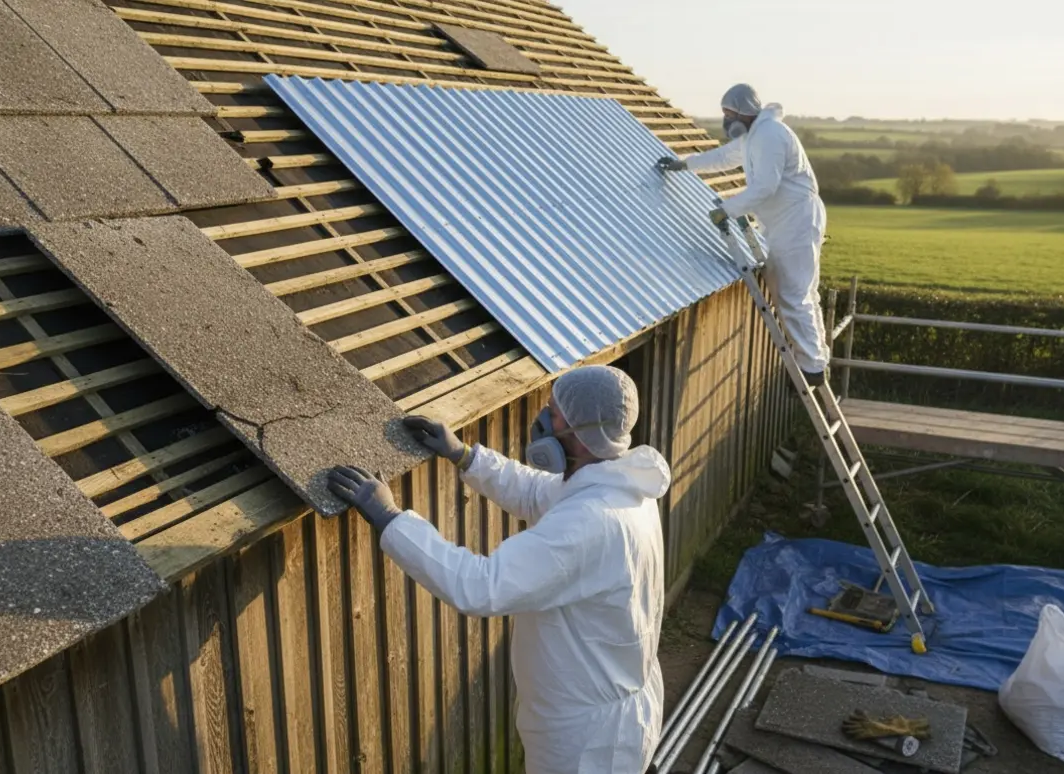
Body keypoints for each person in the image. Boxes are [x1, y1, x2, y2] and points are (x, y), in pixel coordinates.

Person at [328, 365, 670, 774]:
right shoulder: (620, 485)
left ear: (582, 432)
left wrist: (391, 519)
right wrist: (466, 456)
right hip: (612, 706)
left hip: (586, 744)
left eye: (555, 415)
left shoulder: (590, 522)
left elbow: (480, 586)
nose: (543, 420)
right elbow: (534, 491)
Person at [658, 82, 830, 385]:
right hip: (785, 221)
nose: (727, 120)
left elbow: (766, 186)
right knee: (801, 292)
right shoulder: (754, 137)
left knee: (793, 294)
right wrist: (684, 165)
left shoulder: (771, 135)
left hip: (796, 220)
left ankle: (812, 368)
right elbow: (723, 158)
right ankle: (816, 359)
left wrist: (728, 208)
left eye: (729, 113)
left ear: (745, 111)